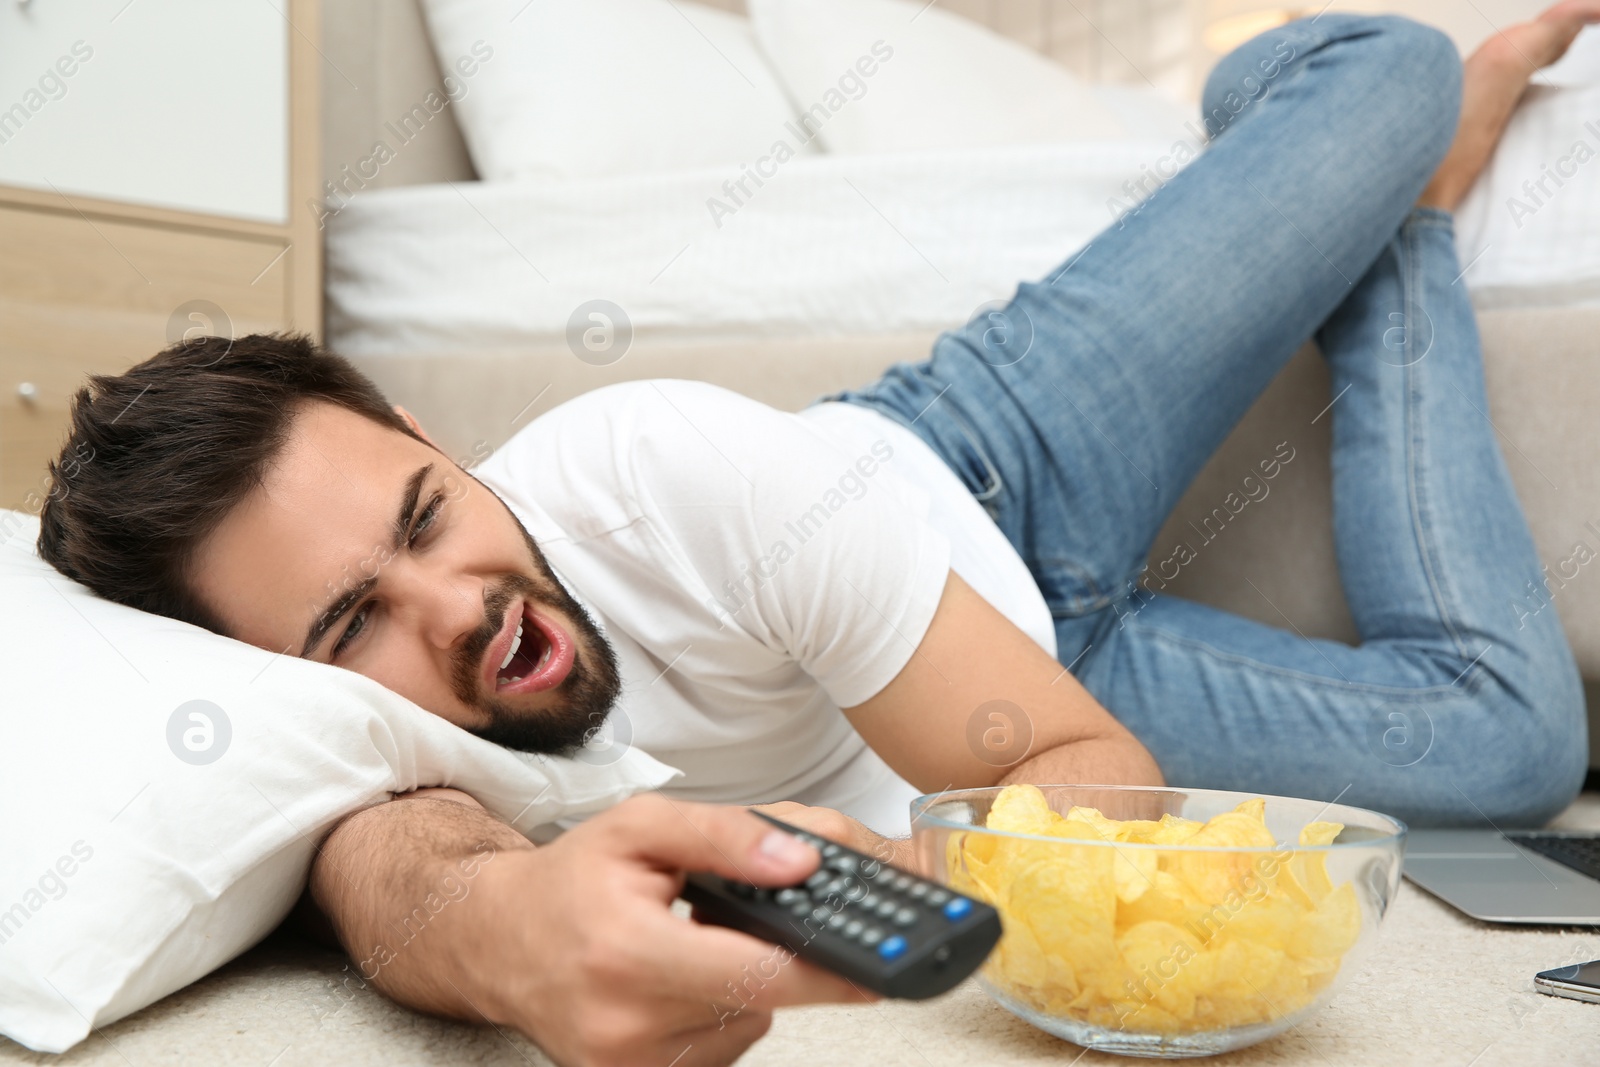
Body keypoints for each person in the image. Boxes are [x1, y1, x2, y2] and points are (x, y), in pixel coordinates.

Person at [34, 6, 1598, 1065]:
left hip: (979, 453)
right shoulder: (339, 745)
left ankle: (1362, 156)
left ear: (434, 440)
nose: (454, 607)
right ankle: (1416, 224)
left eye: (429, 514)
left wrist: (912, 863)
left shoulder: (661, 469)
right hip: (1069, 670)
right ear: (280, 679)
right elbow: (404, 873)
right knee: (1519, 754)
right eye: (345, 624)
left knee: (1385, 64)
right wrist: (504, 933)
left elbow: (1075, 771)